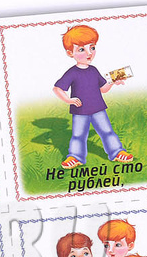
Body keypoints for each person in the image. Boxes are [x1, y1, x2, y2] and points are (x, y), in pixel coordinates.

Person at [51, 24, 134, 169]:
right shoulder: (72, 72)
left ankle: (117, 152)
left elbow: (103, 89)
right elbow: (57, 88)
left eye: (92, 47)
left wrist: (113, 82)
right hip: (80, 111)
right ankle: (75, 156)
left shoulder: (94, 70)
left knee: (107, 131)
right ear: (70, 53)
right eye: (81, 49)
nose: (89, 53)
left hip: (98, 109)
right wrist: (68, 100)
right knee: (78, 135)